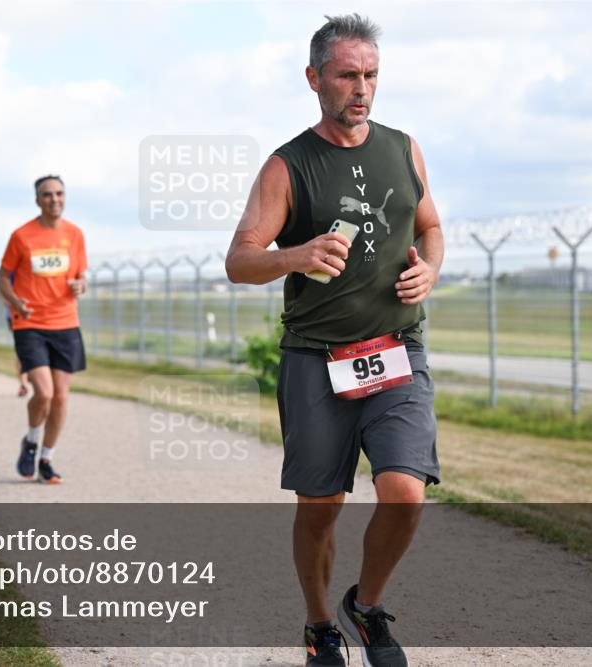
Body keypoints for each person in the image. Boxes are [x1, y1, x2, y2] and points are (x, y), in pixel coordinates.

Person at [225, 14, 444, 667]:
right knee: (321, 505)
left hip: (395, 349)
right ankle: (320, 622)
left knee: (405, 491)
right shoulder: (288, 165)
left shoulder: (403, 147)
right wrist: (294, 256)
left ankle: (366, 605)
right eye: (347, 74)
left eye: (371, 75)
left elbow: (430, 225)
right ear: (315, 77)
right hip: (316, 360)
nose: (362, 88)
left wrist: (431, 266)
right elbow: (240, 260)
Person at [0, 175, 88, 484]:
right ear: (38, 200)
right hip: (30, 323)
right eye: (47, 195)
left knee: (61, 397)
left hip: (66, 323)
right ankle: (32, 440)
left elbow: (80, 276)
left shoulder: (75, 235)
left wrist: (80, 285)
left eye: (59, 193)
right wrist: (15, 303)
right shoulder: (22, 236)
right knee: (45, 393)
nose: (54, 199)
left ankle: (46, 459)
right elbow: (1, 279)